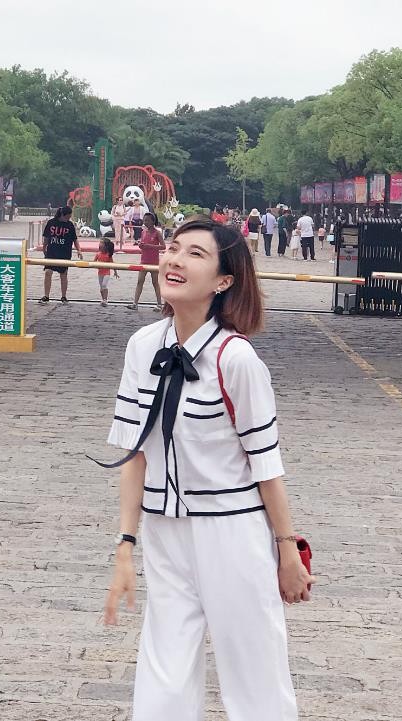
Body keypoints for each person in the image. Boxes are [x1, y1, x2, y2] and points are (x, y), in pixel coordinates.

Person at [102, 217, 313, 719]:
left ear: (224, 281)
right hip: (165, 531)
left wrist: (287, 551)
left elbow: (267, 466)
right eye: (173, 249)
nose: (174, 259)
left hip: (232, 533)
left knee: (254, 670)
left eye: (195, 254)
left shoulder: (236, 359)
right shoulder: (143, 346)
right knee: (164, 666)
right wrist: (125, 546)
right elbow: (136, 454)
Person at [40, 206, 83, 304]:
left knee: (63, 274)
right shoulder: (51, 223)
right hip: (52, 251)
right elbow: (46, 237)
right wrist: (44, 248)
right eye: (68, 216)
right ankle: (46, 295)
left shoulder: (70, 225)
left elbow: (75, 239)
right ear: (63, 215)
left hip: (64, 252)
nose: (69, 218)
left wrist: (79, 250)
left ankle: (63, 296)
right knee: (48, 272)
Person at [128, 212, 165, 311]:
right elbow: (143, 244)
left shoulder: (157, 233)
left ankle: (159, 304)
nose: (145, 222)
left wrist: (150, 246)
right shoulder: (143, 232)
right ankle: (135, 303)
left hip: (154, 262)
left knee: (155, 283)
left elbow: (163, 246)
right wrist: (141, 245)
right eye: (144, 220)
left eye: (147, 220)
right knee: (140, 281)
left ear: (153, 221)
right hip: (144, 260)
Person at [95, 238, 119, 307]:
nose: (100, 244)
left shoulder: (108, 255)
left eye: (101, 243)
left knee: (104, 285)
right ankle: (103, 299)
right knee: (101, 287)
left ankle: (105, 299)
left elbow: (112, 264)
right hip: (100, 273)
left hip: (106, 273)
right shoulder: (98, 254)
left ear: (105, 246)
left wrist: (115, 272)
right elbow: (93, 262)